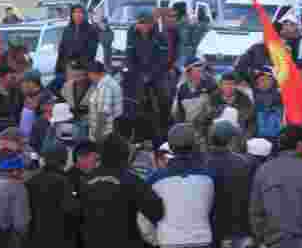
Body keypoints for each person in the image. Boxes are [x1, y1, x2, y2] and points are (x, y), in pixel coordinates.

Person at [123, 13, 171, 148]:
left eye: (143, 24)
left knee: (164, 98)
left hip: (156, 73)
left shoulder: (161, 36)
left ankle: (164, 131)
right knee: (133, 101)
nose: (140, 27)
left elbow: (163, 59)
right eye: (139, 24)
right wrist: (135, 72)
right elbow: (129, 54)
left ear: (150, 24)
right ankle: (138, 134)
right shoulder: (131, 33)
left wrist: (150, 75)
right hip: (138, 72)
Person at [194, 72, 255, 152]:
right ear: (221, 85)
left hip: (237, 143)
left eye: (232, 84)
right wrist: (204, 142)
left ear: (236, 85)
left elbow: (251, 123)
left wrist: (245, 140)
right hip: (215, 143)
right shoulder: (213, 99)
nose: (229, 87)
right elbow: (201, 121)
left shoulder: (245, 100)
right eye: (226, 84)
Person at [56, 5, 99, 76]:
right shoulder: (67, 30)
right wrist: (59, 68)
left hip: (84, 68)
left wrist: (78, 62)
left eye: (80, 12)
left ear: (84, 14)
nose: (77, 14)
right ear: (71, 14)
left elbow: (92, 51)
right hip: (67, 66)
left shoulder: (91, 30)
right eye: (75, 12)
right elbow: (62, 49)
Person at [172, 57, 216, 126]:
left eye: (201, 68)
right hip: (188, 125)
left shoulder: (210, 83)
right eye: (197, 68)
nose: (200, 70)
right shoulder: (182, 88)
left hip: (207, 123)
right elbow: (177, 111)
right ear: (188, 71)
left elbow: (214, 106)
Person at [86, 61, 122, 142]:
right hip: (109, 131)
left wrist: (97, 134)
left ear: (93, 74)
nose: (89, 78)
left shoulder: (105, 86)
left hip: (104, 133)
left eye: (89, 75)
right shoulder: (108, 82)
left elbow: (103, 113)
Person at [251, 67, 284, 144]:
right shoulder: (251, 96)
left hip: (276, 139)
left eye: (267, 79)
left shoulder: (281, 96)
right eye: (261, 80)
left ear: (272, 81)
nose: (264, 82)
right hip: (256, 139)